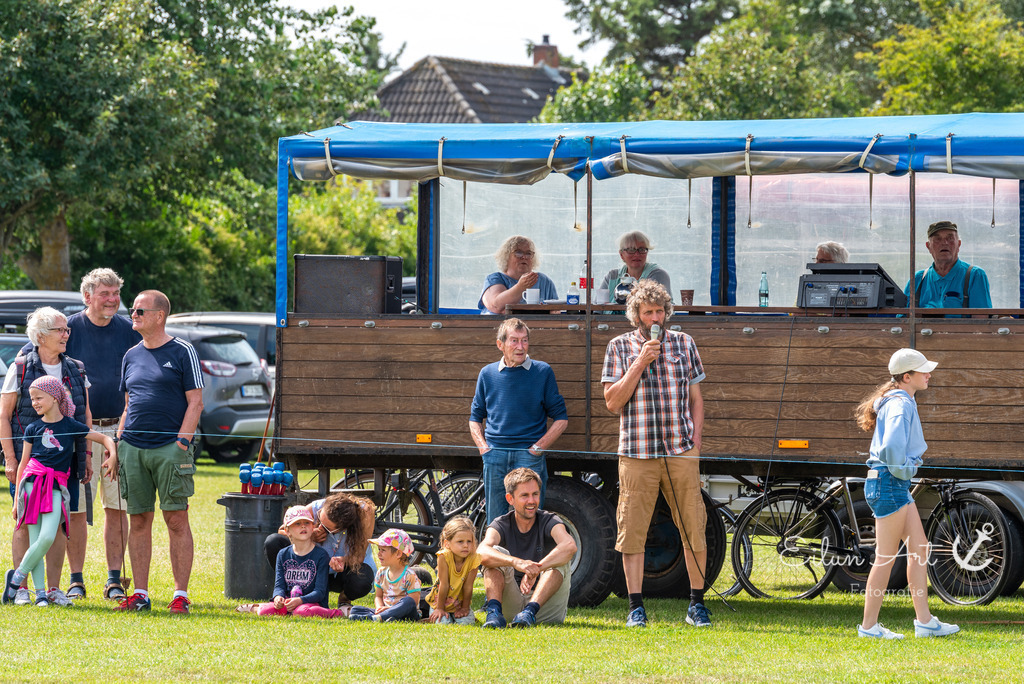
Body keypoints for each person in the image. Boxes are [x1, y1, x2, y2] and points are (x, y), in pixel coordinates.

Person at [601, 280, 709, 629]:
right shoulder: (619, 347)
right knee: (632, 530)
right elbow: (613, 402)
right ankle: (635, 607)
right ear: (637, 316)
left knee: (694, 526)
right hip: (637, 452)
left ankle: (697, 604)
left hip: (680, 451)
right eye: (648, 312)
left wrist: (695, 444)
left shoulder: (684, 343)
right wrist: (640, 361)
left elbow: (696, 399)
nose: (655, 317)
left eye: (660, 311)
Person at [854, 349, 960, 640]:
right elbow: (890, 448)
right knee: (885, 558)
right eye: (923, 370)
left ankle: (924, 622)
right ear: (906, 376)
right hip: (890, 482)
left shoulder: (899, 400)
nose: (929, 374)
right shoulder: (901, 403)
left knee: (919, 550)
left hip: (891, 483)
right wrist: (906, 471)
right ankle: (868, 628)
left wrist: (903, 473)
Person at [112, 290, 203, 615]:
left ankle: (180, 595)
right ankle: (140, 594)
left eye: (139, 311)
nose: (133, 315)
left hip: (170, 450)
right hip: (132, 448)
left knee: (176, 519)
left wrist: (182, 444)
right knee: (138, 520)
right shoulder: (131, 355)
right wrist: (118, 445)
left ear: (159, 315)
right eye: (133, 311)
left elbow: (196, 401)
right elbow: (128, 405)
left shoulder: (182, 351)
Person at [57, 269, 141, 600]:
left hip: (121, 430)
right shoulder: (69, 329)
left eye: (115, 293)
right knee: (76, 508)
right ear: (87, 296)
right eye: (104, 293)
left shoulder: (129, 329)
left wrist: (125, 424)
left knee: (118, 508)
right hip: (80, 432)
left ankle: (114, 579)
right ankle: (76, 579)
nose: (112, 299)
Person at [1, 307, 92, 606]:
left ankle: (52, 588)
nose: (66, 334)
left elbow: (86, 416)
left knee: (59, 527)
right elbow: (4, 416)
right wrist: (12, 461)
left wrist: (87, 456)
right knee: (26, 524)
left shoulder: (77, 369)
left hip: (66, 468)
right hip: (31, 467)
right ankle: (22, 587)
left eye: (67, 330)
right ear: (40, 336)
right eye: (60, 330)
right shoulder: (20, 367)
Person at [3, 376, 116, 607]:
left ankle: (14, 580)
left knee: (47, 537)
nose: (34, 403)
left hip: (56, 487)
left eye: (38, 398)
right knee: (35, 537)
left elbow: (104, 438)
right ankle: (40, 593)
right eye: (32, 398)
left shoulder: (71, 426)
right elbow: (24, 465)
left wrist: (112, 455)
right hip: (32, 486)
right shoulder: (33, 427)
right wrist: (17, 501)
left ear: (54, 398)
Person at [469, 318, 568, 523]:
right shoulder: (487, 374)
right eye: (514, 341)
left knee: (529, 521)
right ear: (500, 344)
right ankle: (497, 556)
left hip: (528, 456)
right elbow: (475, 418)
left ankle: (528, 557)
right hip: (495, 455)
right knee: (496, 521)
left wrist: (537, 449)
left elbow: (561, 419)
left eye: (524, 341)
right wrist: (484, 450)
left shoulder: (542, 372)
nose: (520, 347)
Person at [478, 468, 576, 629]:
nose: (532, 501)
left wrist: (537, 569)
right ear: (510, 499)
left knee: (561, 558)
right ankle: (494, 613)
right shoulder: (501, 523)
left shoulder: (550, 520)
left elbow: (569, 545)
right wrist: (517, 563)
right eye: (524, 495)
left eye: (535, 494)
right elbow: (481, 551)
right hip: (512, 604)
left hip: (544, 610)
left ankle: (529, 612)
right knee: (495, 553)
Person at [263, 491, 376, 608]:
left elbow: (359, 556)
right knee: (274, 542)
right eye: (319, 518)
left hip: (338, 573)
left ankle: (344, 598)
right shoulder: (318, 506)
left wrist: (343, 560)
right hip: (309, 569)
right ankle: (293, 591)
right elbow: (282, 530)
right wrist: (309, 536)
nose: (320, 526)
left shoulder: (364, 513)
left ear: (341, 529)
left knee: (363, 577)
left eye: (326, 528)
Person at [243, 506, 347, 618]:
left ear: (313, 527)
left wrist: (300, 600)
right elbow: (279, 585)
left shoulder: (321, 555)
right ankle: (261, 607)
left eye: (307, 523)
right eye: (297, 523)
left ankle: (338, 613)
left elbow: (320, 592)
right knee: (265, 611)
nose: (303, 526)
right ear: (287, 531)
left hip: (312, 603)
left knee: (301, 612)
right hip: (288, 601)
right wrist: (278, 597)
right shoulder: (282, 554)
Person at [904, 220, 991, 318]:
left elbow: (981, 322)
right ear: (928, 246)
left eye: (950, 238)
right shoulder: (917, 279)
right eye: (937, 239)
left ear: (958, 244)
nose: (944, 243)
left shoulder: (974, 275)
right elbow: (903, 320)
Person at [349, 528, 422, 622]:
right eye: (379, 549)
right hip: (385, 610)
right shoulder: (381, 573)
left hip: (407, 614)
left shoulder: (409, 575)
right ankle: (384, 617)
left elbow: (413, 602)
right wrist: (380, 608)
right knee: (355, 609)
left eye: (383, 550)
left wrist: (389, 610)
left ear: (398, 553)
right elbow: (378, 596)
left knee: (408, 601)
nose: (379, 554)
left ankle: (380, 618)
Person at [479, 236, 558, 314]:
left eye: (528, 253)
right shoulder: (495, 279)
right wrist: (521, 287)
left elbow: (556, 309)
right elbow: (496, 306)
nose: (524, 257)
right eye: (518, 252)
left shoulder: (543, 281)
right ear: (506, 256)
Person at [426, 515, 481, 625]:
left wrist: (465, 608)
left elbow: (468, 586)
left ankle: (463, 616)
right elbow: (444, 584)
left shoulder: (474, 559)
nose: (466, 545)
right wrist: (440, 609)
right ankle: (432, 616)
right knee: (443, 624)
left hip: (459, 604)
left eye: (469, 541)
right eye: (460, 541)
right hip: (440, 602)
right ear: (447, 544)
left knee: (466, 624)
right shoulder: (444, 556)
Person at [600, 231, 671, 301]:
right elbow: (597, 309)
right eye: (631, 250)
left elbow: (657, 307)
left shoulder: (658, 275)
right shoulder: (612, 277)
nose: (637, 254)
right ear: (621, 255)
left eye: (642, 249)